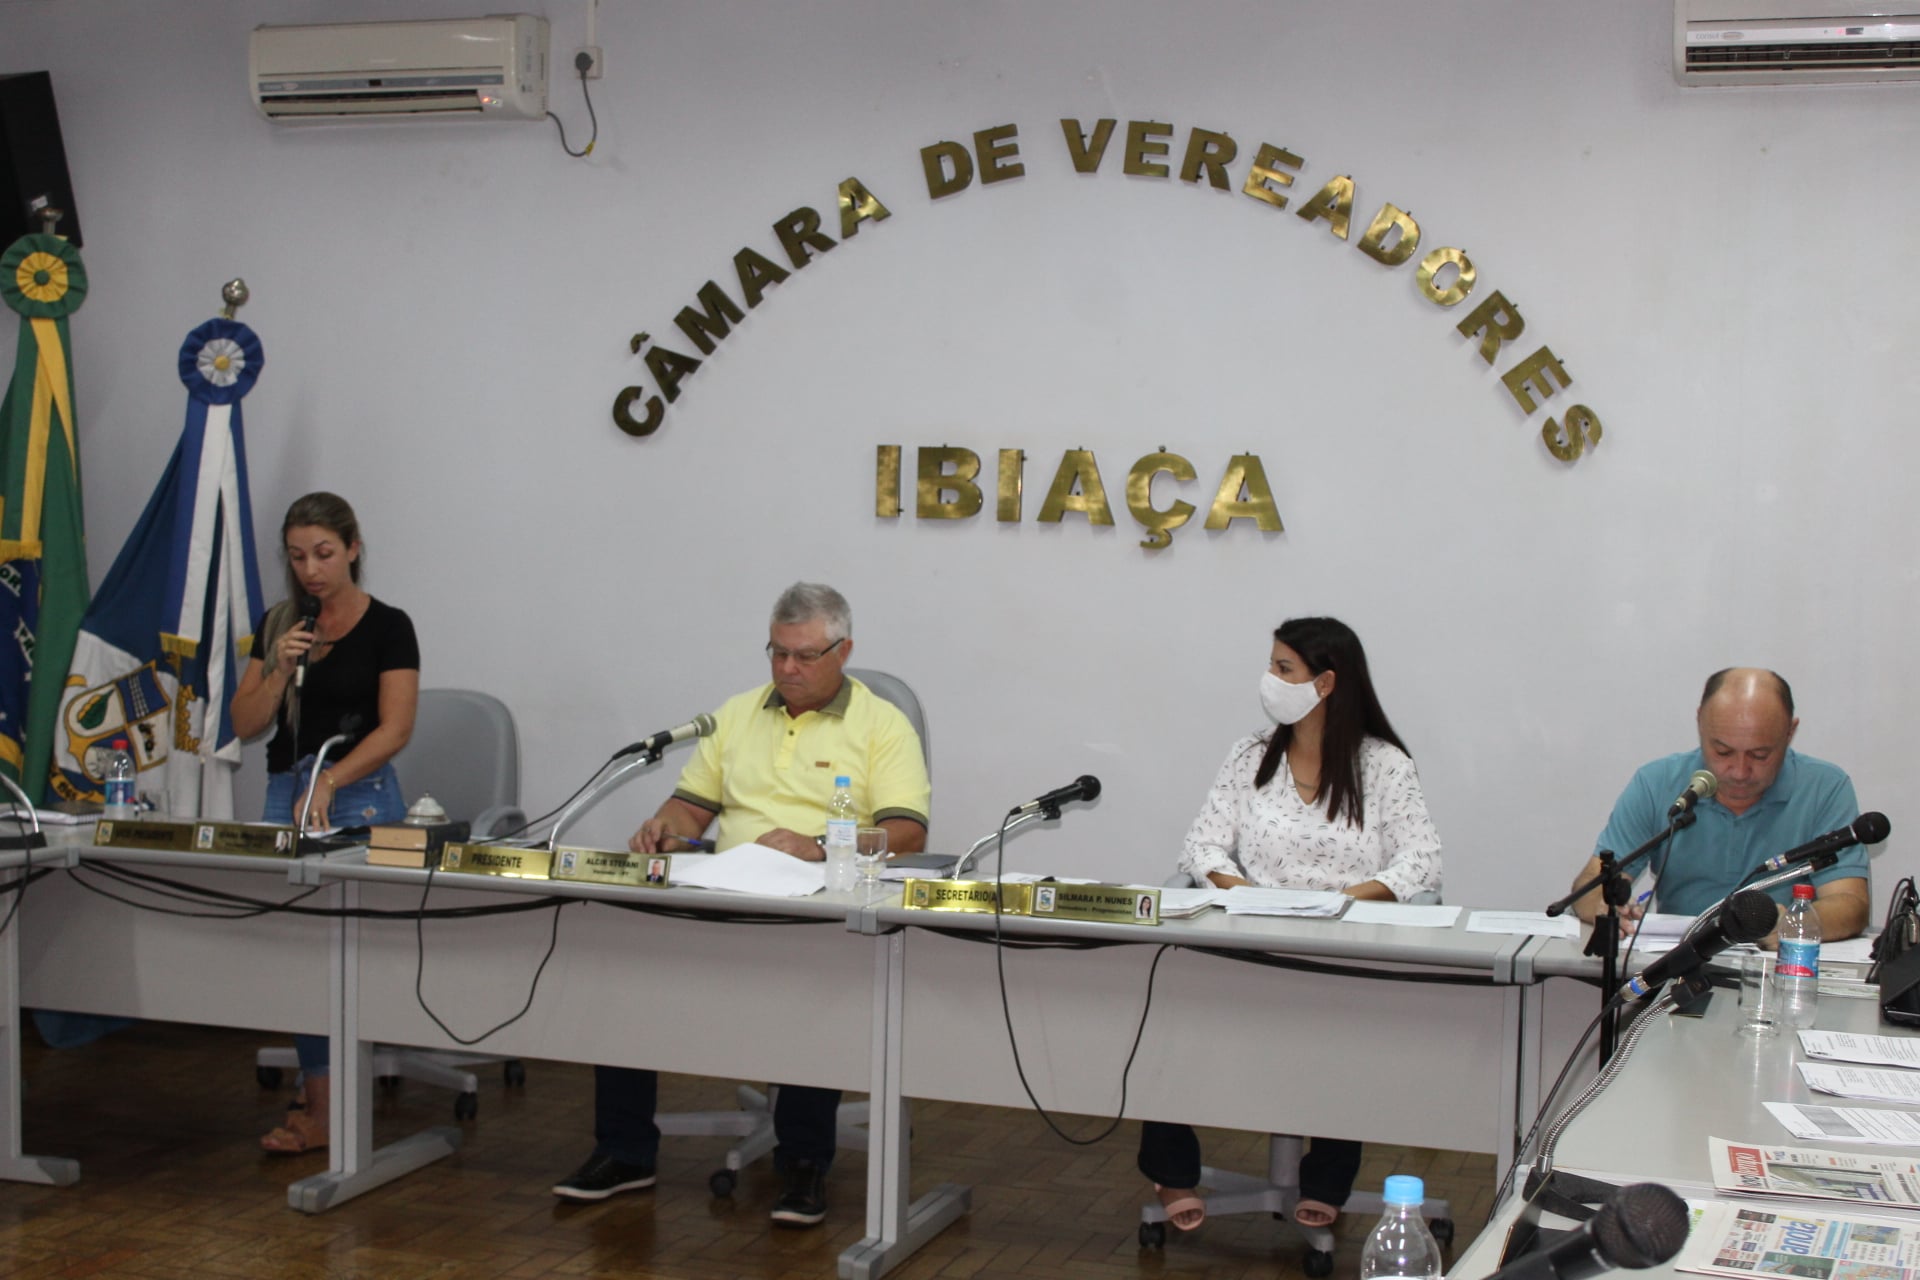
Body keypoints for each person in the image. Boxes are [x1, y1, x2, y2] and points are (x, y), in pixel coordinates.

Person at [552, 582, 930, 1228]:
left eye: (805, 655)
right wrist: (665, 828)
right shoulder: (735, 714)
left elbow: (907, 833)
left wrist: (818, 847)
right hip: (729, 891)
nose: (788, 668)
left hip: (821, 904)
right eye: (778, 653)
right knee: (623, 970)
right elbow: (690, 808)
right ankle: (625, 1150)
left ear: (844, 652)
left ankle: (804, 1161)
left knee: (815, 986)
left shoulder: (881, 725)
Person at [1141, 616, 1441, 1235]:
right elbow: (1201, 846)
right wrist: (1244, 895)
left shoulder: (1384, 765)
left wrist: (1345, 901)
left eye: (1284, 669)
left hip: (1346, 946)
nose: (1270, 679)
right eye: (1272, 665)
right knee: (1165, 1010)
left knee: (1342, 1031)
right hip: (1249, 939)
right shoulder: (1251, 755)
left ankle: (1327, 1180)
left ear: (1325, 683)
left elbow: (1421, 861)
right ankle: (1171, 1173)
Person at [231, 492, 419, 1154]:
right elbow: (244, 724)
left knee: (355, 957)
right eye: (297, 557)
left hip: (360, 797)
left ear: (353, 549)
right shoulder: (280, 623)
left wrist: (332, 779)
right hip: (286, 795)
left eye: (323, 554)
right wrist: (279, 670)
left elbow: (396, 728)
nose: (310, 570)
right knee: (301, 957)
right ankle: (323, 1106)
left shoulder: (389, 626)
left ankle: (335, 1108)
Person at [1571, 668, 1870, 944]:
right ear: (1700, 722)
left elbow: (1850, 903)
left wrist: (1793, 924)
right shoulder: (1657, 782)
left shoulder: (1824, 788)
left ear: (1790, 732)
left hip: (1779, 965)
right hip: (1677, 963)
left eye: (1760, 755)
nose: (1739, 771)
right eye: (1723, 751)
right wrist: (1603, 907)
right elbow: (1591, 885)